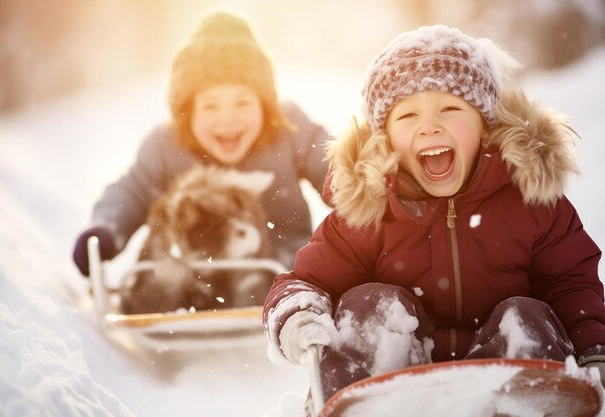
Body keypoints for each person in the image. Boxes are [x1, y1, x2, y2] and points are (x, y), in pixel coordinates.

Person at [262, 25, 605, 406]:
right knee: (370, 304)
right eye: (407, 116)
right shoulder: (368, 211)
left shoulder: (530, 201)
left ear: (484, 125)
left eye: (450, 108)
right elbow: (308, 280)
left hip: (498, 384)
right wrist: (300, 314)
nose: (429, 126)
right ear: (386, 138)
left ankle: (531, 405)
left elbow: (572, 284)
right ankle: (356, 406)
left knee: (527, 315)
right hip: (393, 383)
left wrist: (594, 348)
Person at [72, 9, 330, 279]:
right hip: (192, 276)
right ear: (187, 112)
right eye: (210, 105)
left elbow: (331, 163)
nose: (228, 119)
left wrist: (363, 197)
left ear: (264, 105)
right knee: (164, 277)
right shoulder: (166, 145)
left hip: (280, 269)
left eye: (242, 102)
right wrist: (107, 229)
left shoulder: (288, 129)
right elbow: (132, 192)